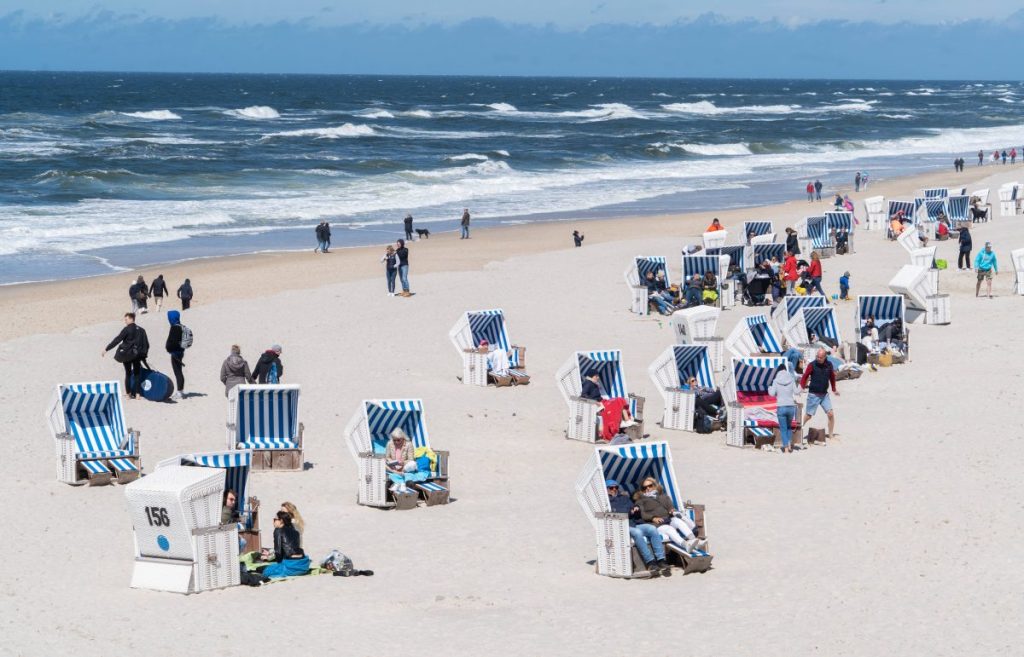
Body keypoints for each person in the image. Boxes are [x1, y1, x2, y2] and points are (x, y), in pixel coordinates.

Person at [606, 480, 670, 577]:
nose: (614, 490)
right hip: (621, 526)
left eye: (616, 487)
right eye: (611, 488)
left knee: (652, 529)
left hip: (632, 523)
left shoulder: (624, 497)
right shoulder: (607, 501)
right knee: (637, 532)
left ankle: (661, 560)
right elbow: (615, 514)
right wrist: (629, 512)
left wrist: (636, 508)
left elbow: (633, 506)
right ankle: (650, 562)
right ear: (606, 489)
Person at [634, 478, 707, 552]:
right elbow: (643, 514)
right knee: (669, 529)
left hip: (668, 519)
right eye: (644, 487)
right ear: (642, 490)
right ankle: (686, 545)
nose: (648, 488)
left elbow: (671, 508)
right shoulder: (640, 501)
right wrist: (653, 518)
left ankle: (695, 541)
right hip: (657, 524)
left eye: (650, 486)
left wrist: (672, 511)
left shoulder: (663, 497)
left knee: (677, 521)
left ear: (655, 486)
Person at [102, 313, 149, 400]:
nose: (125, 321)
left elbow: (117, 339)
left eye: (126, 320)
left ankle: (128, 394)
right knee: (137, 374)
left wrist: (107, 349)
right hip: (137, 355)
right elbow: (146, 344)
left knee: (128, 374)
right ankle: (138, 395)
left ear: (131, 319)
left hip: (127, 355)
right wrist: (144, 355)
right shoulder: (142, 330)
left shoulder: (127, 329)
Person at [800, 348, 839, 440]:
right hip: (813, 394)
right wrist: (801, 387)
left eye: (820, 357)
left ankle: (830, 435)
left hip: (824, 395)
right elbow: (805, 376)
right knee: (808, 416)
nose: (818, 358)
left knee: (831, 414)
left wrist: (834, 389)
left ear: (825, 357)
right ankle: (797, 429)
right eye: (817, 356)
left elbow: (832, 378)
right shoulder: (812, 365)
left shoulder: (829, 365)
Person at [260, 511, 309, 578]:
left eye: (275, 519)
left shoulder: (278, 530)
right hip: (303, 565)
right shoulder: (296, 532)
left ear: (281, 521)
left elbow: (278, 552)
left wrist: (278, 565)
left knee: (265, 570)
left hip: (290, 567)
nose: (273, 521)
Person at [768, 364, 800, 453]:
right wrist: (801, 385)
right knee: (789, 427)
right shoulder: (791, 379)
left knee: (783, 428)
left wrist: (769, 387)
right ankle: (789, 445)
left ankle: (786, 448)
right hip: (791, 407)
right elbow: (797, 392)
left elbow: (772, 393)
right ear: (786, 370)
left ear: (778, 371)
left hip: (781, 407)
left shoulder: (775, 381)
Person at [385, 428, 417, 493]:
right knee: (382, 463)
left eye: (398, 440)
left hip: (404, 467)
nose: (396, 442)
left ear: (403, 438)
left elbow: (411, 459)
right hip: (393, 466)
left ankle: (398, 475)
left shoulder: (409, 444)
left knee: (413, 464)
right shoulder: (389, 444)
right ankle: (398, 474)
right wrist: (391, 462)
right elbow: (387, 457)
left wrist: (403, 463)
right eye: (394, 440)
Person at [165, 309, 186, 400]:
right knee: (179, 372)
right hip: (181, 352)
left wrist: (168, 348)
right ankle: (181, 391)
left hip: (175, 353)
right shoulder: (181, 326)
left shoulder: (174, 327)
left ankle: (179, 392)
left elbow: (172, 341)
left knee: (178, 372)